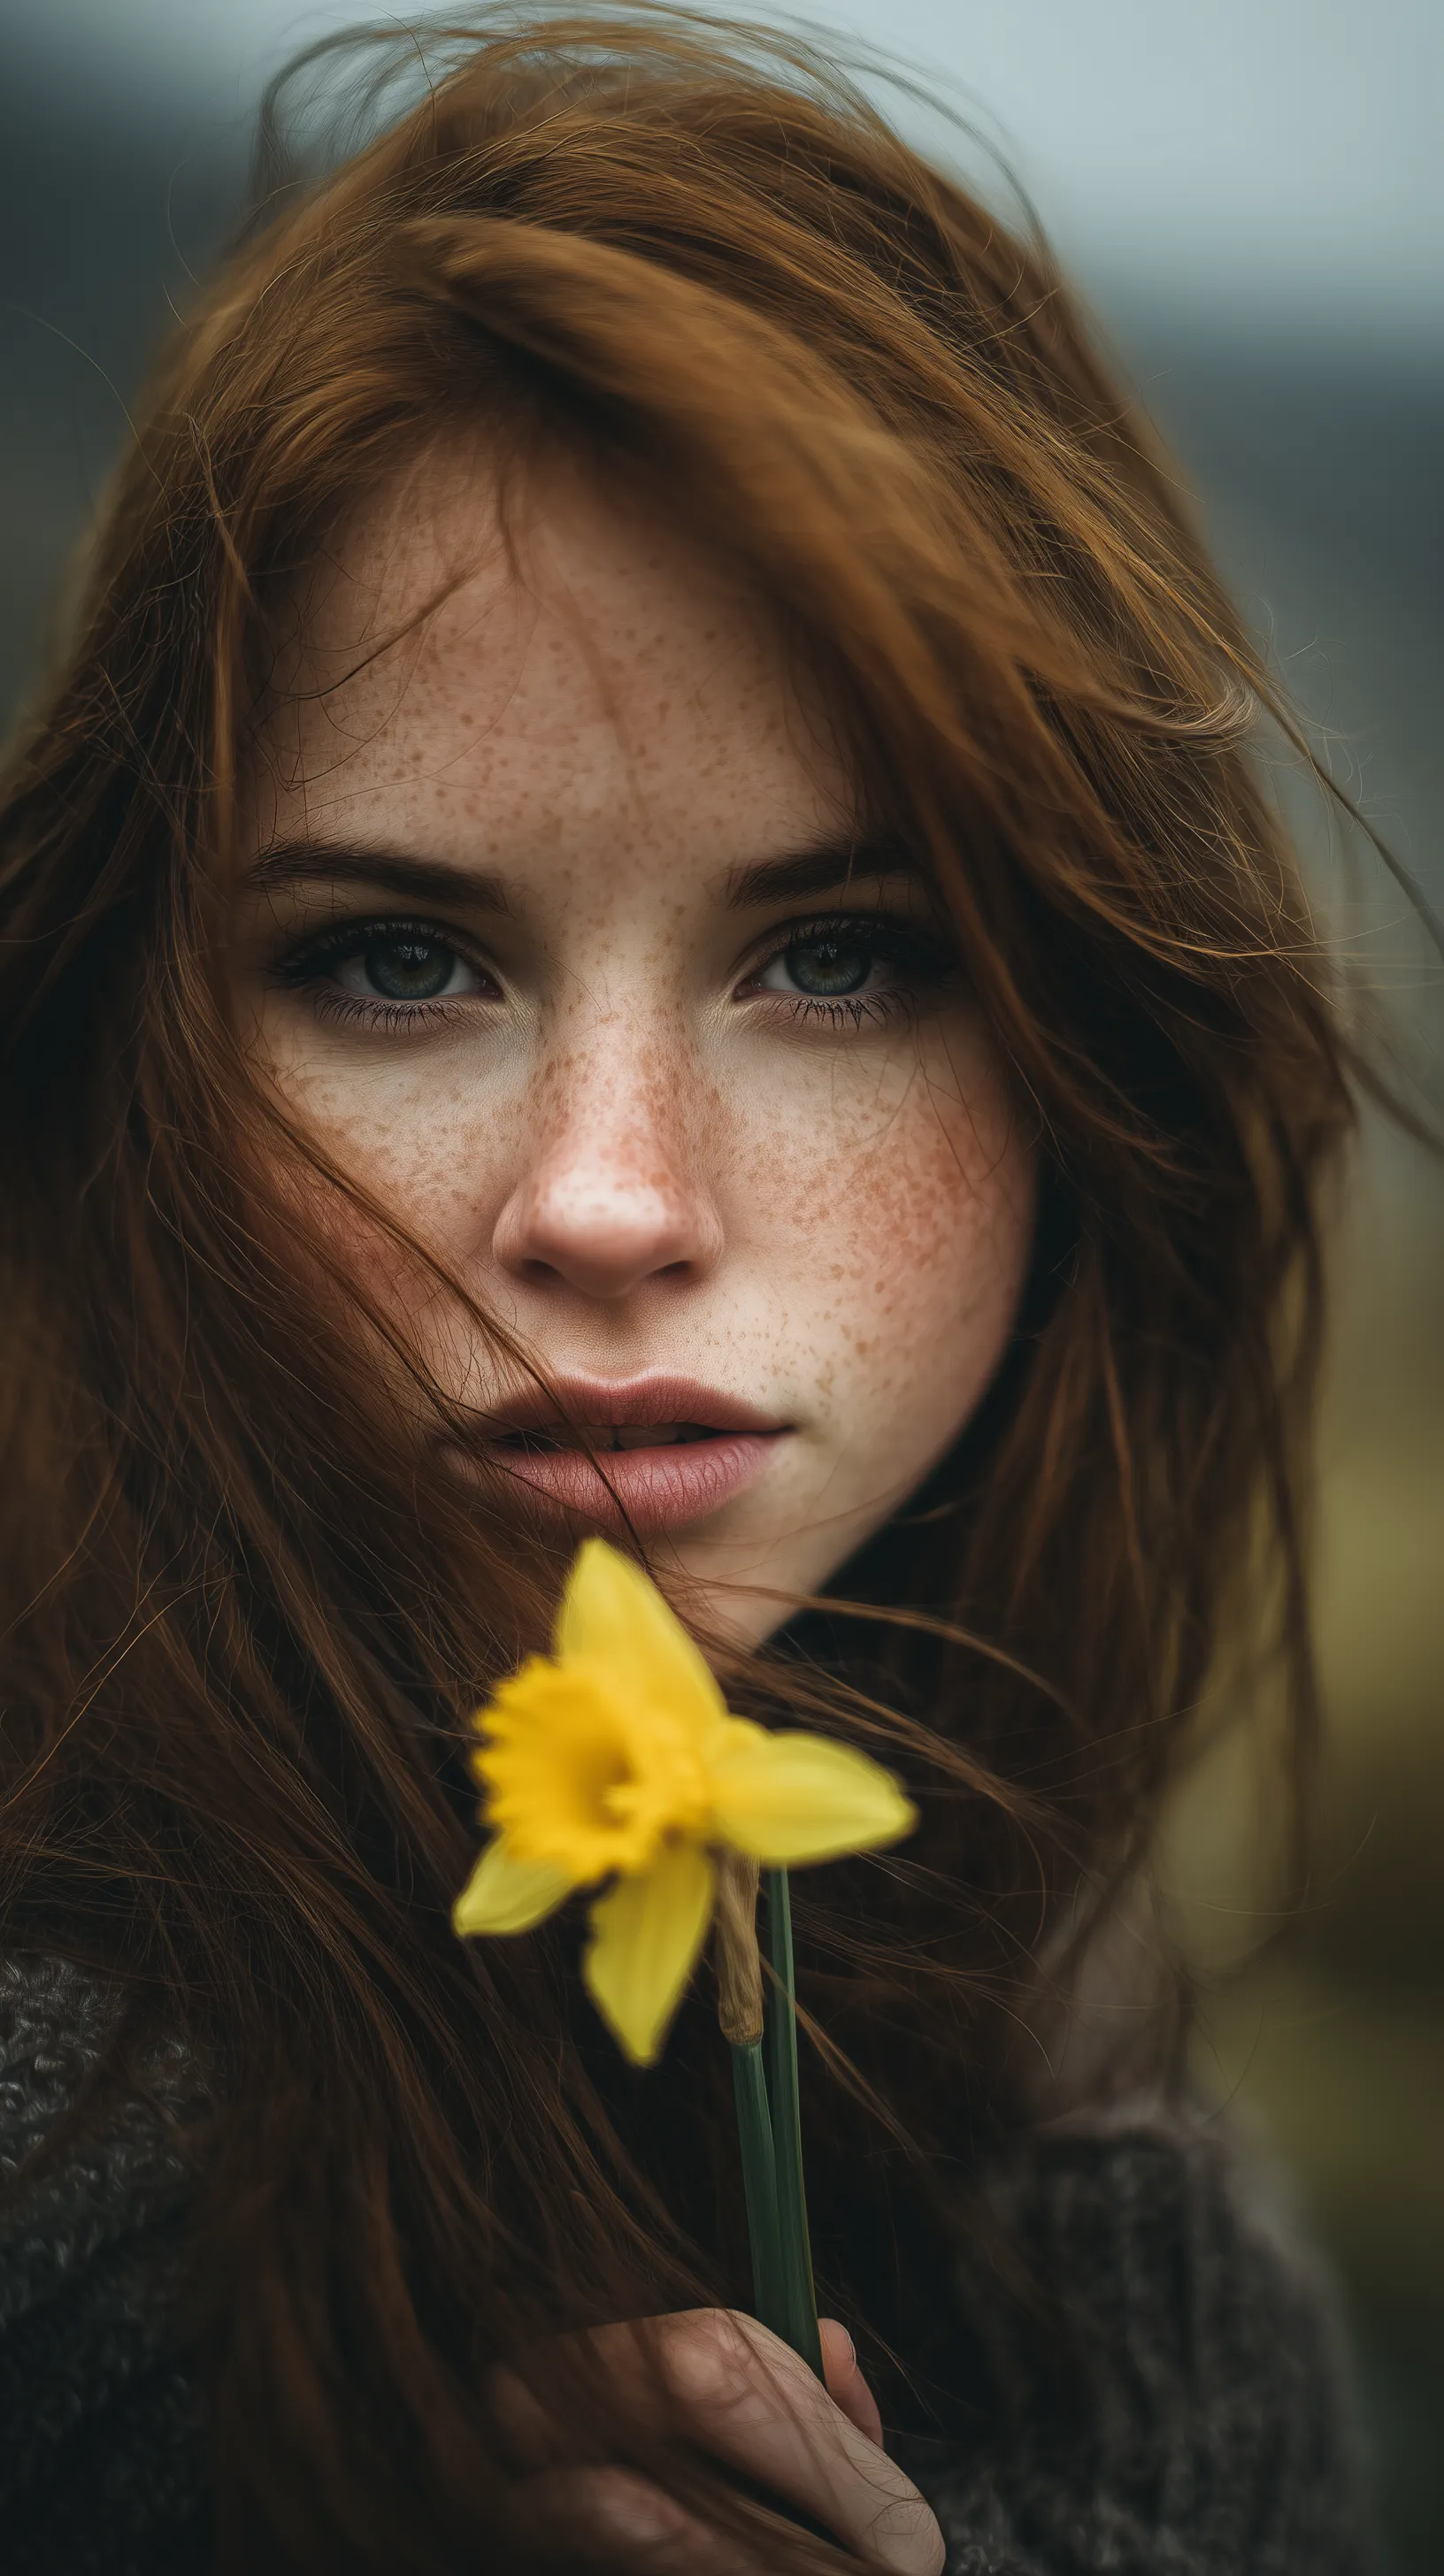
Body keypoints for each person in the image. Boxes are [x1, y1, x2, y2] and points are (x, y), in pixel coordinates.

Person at [0, 11, 1381, 2572]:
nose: (608, 1204)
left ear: (1105, 1062)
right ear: (134, 1057)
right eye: (398, 962)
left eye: (842, 960)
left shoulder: (1163, 2290)